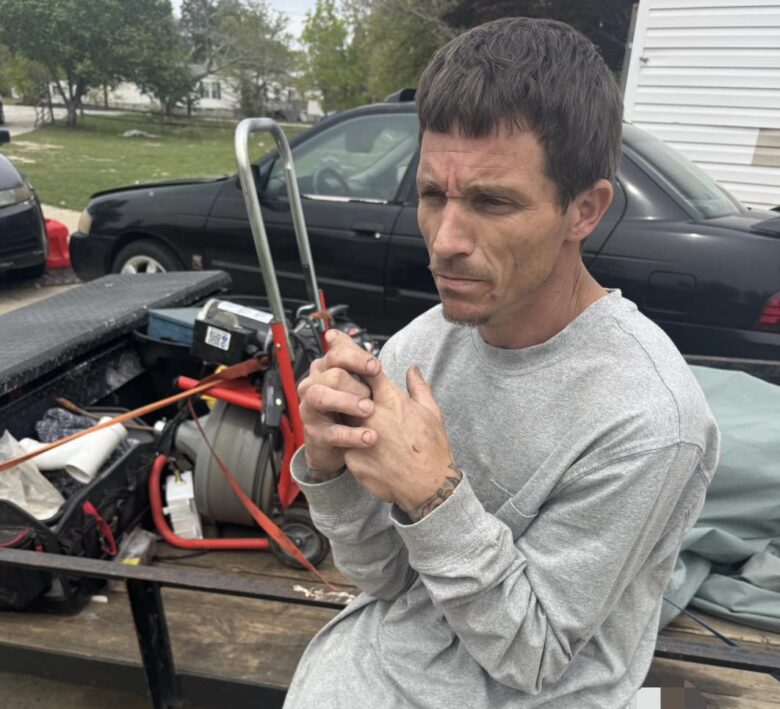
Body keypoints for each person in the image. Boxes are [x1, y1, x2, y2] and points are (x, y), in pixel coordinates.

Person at [284, 17, 719, 709]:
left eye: (492, 201)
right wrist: (332, 466)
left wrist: (434, 496)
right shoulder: (421, 345)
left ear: (585, 210)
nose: (445, 241)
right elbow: (383, 579)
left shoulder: (648, 417)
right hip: (365, 674)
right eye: (433, 195)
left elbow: (534, 658)